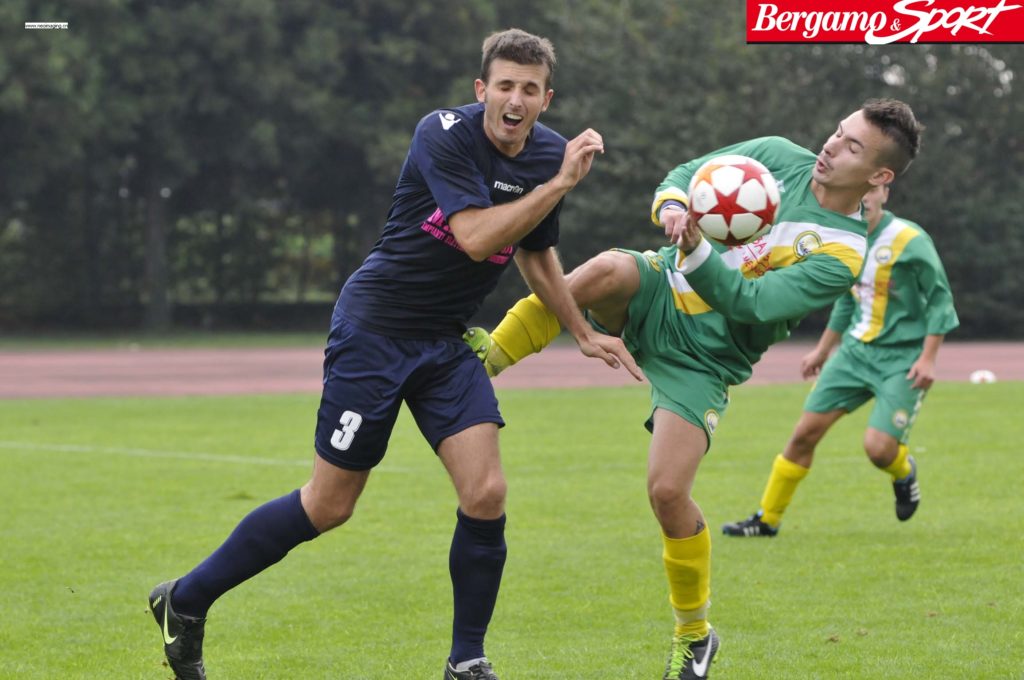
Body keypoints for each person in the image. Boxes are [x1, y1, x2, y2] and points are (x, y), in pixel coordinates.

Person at [147, 28, 640, 680]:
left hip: (444, 343)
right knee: (329, 505)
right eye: (503, 85)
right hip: (374, 331)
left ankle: (467, 660)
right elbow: (473, 237)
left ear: (546, 98)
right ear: (481, 90)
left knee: (487, 492)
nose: (514, 99)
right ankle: (186, 600)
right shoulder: (442, 132)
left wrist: (578, 329)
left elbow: (536, 251)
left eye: (528, 88)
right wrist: (558, 185)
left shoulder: (547, 154)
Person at [464, 99, 923, 679]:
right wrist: (676, 208)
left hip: (707, 356)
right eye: (837, 132)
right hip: (660, 287)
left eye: (852, 146)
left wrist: (699, 248)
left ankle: (694, 635)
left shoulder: (843, 253)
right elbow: (684, 177)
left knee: (666, 492)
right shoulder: (779, 156)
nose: (832, 146)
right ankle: (486, 360)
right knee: (606, 269)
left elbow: (753, 303)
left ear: (880, 176)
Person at [722, 183, 958, 538]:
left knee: (878, 450)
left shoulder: (910, 240)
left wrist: (928, 359)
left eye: (870, 191)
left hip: (902, 359)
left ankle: (902, 470)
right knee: (803, 434)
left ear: (885, 193)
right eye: (856, 193)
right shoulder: (846, 239)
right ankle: (766, 520)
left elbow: (940, 299)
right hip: (853, 354)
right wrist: (822, 350)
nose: (862, 199)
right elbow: (848, 301)